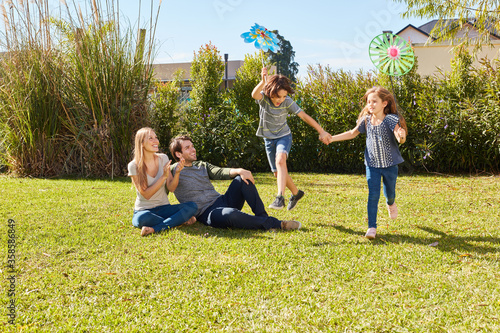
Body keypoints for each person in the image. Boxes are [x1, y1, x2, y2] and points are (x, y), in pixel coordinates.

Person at [168, 135, 301, 231]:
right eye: (188, 148)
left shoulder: (201, 165)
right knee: (230, 214)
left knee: (241, 179)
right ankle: (276, 224)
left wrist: (240, 170)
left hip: (222, 200)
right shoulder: (173, 170)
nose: (193, 149)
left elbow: (219, 172)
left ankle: (262, 217)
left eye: (192, 146)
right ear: (179, 154)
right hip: (207, 213)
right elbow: (168, 189)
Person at [327, 86, 407, 240]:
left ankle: (391, 203)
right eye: (368, 102)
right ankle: (372, 227)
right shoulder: (365, 121)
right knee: (373, 195)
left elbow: (399, 137)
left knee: (390, 192)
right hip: (372, 165)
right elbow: (352, 133)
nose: (370, 104)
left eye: (374, 101)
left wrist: (401, 136)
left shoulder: (391, 119)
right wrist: (332, 138)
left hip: (390, 165)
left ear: (384, 103)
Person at [251, 67, 331, 211]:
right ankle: (296, 193)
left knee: (281, 160)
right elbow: (254, 94)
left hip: (284, 136)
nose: (281, 100)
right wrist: (263, 81)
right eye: (278, 97)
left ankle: (279, 198)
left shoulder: (287, 101)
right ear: (270, 92)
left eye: (283, 96)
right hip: (268, 139)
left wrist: (321, 130)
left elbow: (304, 116)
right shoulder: (264, 99)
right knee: (277, 173)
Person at [127, 128, 197, 237]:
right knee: (142, 219)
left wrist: (177, 172)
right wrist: (163, 177)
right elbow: (146, 195)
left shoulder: (163, 158)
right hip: (144, 211)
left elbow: (171, 188)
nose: (156, 141)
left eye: (156, 137)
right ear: (141, 143)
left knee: (192, 206)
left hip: (164, 208)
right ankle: (178, 221)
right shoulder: (134, 166)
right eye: (151, 138)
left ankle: (155, 228)